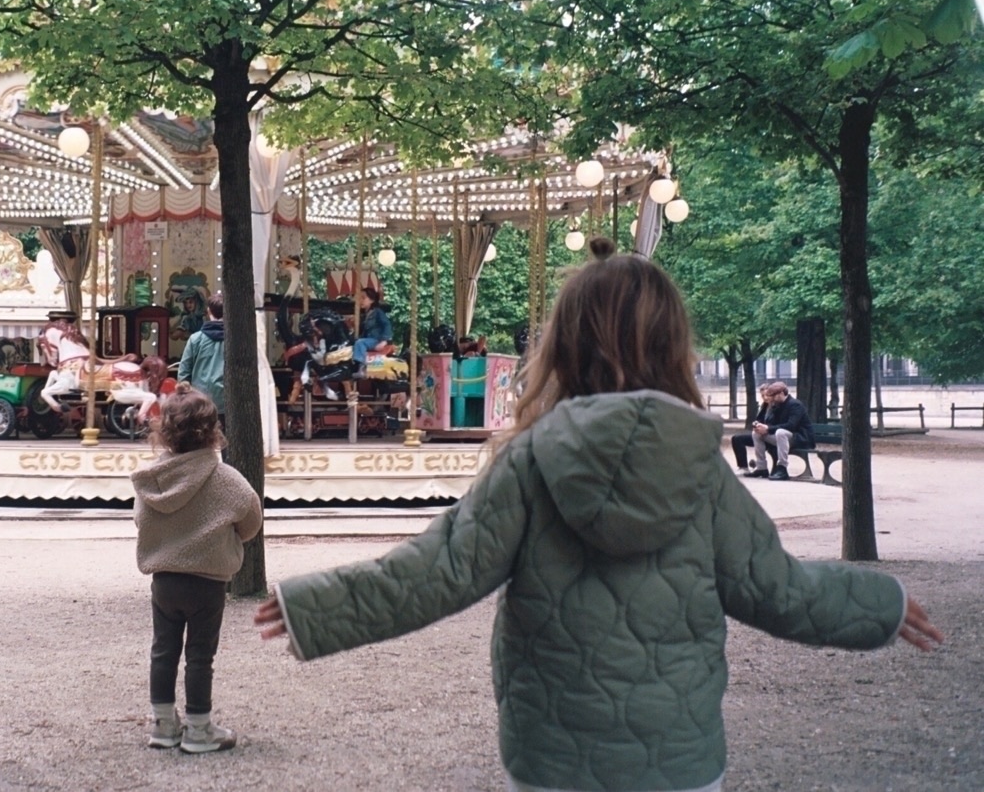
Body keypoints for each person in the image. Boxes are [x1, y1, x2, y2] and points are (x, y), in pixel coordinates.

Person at [255, 236, 942, 792]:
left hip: (553, 750)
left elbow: (439, 570)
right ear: (674, 348)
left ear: (563, 345)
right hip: (678, 755)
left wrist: (319, 604)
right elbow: (779, 589)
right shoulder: (701, 470)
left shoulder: (529, 462)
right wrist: (878, 603)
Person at [131, 385, 262, 754]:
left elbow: (141, 521)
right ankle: (200, 728)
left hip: (165, 580)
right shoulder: (226, 479)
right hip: (208, 581)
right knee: (200, 655)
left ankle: (163, 723)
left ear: (164, 431)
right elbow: (251, 518)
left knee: (163, 650)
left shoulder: (154, 479)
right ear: (213, 430)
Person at [176, 293, 225, 424]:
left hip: (200, 401)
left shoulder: (195, 339)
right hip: (229, 402)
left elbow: (184, 373)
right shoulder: (237, 340)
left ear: (209, 312)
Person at [752, 380, 815, 481]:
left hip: (800, 438)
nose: (771, 399)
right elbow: (775, 424)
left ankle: (782, 468)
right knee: (756, 434)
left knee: (781, 432)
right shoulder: (777, 405)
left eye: (773, 396)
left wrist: (768, 428)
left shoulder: (795, 405)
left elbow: (791, 426)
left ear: (781, 393)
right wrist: (761, 427)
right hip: (783, 438)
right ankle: (761, 467)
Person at [730, 383, 773, 474]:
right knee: (736, 439)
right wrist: (756, 424)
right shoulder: (764, 406)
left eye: (767, 395)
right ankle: (743, 466)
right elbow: (758, 419)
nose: (765, 398)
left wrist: (766, 428)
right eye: (762, 396)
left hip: (770, 434)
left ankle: (760, 467)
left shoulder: (776, 406)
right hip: (760, 433)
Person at [350, 286, 392, 378]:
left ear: (372, 300)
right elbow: (364, 331)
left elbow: (387, 324)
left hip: (376, 339)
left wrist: (384, 341)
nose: (360, 300)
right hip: (368, 339)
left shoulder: (378, 312)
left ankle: (362, 368)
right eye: (359, 298)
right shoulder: (366, 315)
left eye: (363, 298)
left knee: (360, 343)